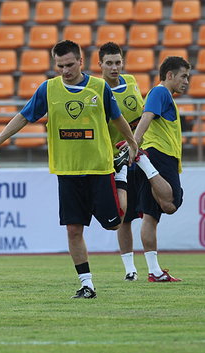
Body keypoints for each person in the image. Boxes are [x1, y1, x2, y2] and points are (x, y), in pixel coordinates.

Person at [0, 40, 138, 299]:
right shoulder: (48, 89)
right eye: (60, 66)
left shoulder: (98, 88)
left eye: (69, 65)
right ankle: (86, 284)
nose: (65, 70)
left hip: (100, 168)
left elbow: (117, 118)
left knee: (114, 224)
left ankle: (121, 174)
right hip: (67, 171)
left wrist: (132, 142)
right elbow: (24, 116)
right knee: (73, 229)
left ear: (81, 62)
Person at [129, 56, 191, 282]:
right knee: (172, 203)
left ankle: (154, 271)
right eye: (183, 76)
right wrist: (134, 145)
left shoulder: (162, 95)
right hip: (159, 154)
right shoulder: (160, 92)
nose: (187, 81)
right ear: (170, 75)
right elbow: (146, 117)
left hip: (153, 154)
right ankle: (142, 161)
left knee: (150, 216)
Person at [98, 42, 145, 281]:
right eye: (109, 63)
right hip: (117, 160)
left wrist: (137, 142)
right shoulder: (97, 91)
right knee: (125, 217)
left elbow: (142, 116)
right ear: (100, 65)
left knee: (152, 209)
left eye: (118, 62)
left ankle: (154, 266)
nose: (114, 67)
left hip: (141, 151)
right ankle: (130, 269)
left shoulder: (132, 81)